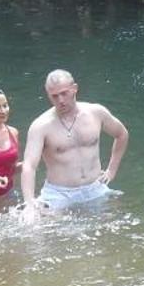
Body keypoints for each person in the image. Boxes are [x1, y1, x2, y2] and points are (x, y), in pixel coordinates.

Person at [20, 69, 129, 211]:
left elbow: (121, 134)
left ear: (75, 89)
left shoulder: (96, 113)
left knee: (116, 219)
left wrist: (111, 171)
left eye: (64, 93)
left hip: (95, 188)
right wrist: (29, 202)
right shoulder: (41, 126)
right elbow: (29, 165)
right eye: (54, 96)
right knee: (37, 228)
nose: (60, 100)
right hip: (58, 194)